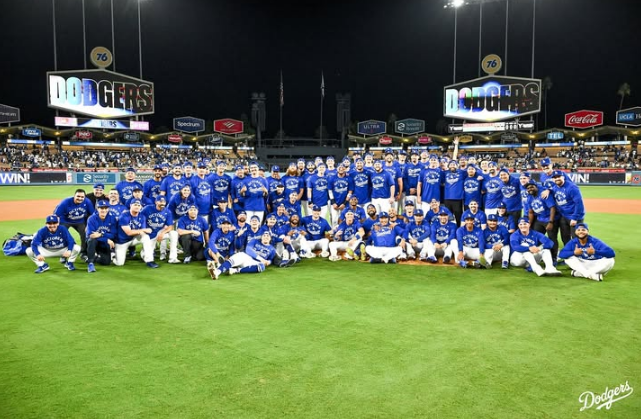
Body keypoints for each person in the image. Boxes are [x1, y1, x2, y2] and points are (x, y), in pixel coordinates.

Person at [209, 231, 276, 280]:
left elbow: (270, 259)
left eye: (268, 236)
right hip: (246, 256)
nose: (266, 237)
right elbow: (248, 250)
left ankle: (234, 270)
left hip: (255, 262)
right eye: (264, 235)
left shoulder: (272, 249)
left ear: (270, 238)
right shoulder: (254, 241)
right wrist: (261, 259)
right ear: (261, 237)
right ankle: (217, 272)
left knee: (261, 267)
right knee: (237, 257)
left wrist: (268, 262)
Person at [113, 199, 158, 268]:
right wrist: (143, 230)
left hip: (133, 239)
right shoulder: (124, 216)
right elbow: (129, 232)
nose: (137, 207)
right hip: (122, 241)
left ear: (141, 207)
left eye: (139, 205)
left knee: (146, 237)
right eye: (135, 205)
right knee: (119, 263)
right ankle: (112, 255)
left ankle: (149, 260)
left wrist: (143, 232)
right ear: (130, 205)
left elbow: (142, 232)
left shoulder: (142, 217)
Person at [54, 188, 95, 259]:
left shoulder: (87, 202)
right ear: (74, 196)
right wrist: (56, 226)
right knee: (62, 234)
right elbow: (56, 215)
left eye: (82, 197)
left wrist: (89, 226)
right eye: (78, 196)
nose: (80, 198)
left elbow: (92, 215)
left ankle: (83, 252)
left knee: (86, 234)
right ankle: (65, 252)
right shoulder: (66, 202)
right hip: (65, 221)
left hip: (80, 221)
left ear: (84, 197)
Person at [141, 195, 179, 264]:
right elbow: (140, 218)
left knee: (174, 233)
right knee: (145, 256)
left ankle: (173, 258)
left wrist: (163, 233)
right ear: (156, 202)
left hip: (160, 232)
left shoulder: (167, 211)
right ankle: (144, 252)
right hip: (150, 234)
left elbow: (170, 226)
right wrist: (144, 230)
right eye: (160, 201)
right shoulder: (147, 208)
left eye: (164, 201)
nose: (162, 203)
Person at [550, 170, 586, 245]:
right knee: (565, 237)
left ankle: (579, 251)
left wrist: (575, 218)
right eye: (555, 177)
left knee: (576, 237)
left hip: (574, 216)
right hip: (564, 216)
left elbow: (579, 203)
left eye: (559, 177)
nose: (557, 179)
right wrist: (547, 190)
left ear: (563, 177)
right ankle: (569, 250)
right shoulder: (554, 188)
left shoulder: (572, 187)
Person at [85, 200, 118, 272]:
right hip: (94, 242)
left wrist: (101, 234)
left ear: (108, 209)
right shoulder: (92, 218)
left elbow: (113, 234)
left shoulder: (112, 218)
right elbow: (91, 235)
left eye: (106, 208)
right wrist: (106, 239)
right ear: (97, 209)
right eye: (102, 208)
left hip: (104, 243)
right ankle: (90, 263)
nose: (104, 210)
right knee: (92, 240)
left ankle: (95, 257)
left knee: (106, 262)